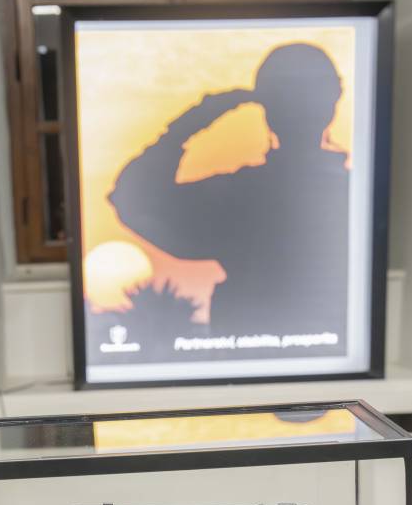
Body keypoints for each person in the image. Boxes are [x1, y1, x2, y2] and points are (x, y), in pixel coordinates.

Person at [109, 43, 349, 346]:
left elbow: (131, 198)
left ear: (267, 110)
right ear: (332, 102)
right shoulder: (352, 195)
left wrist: (192, 122)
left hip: (251, 361)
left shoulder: (242, 196)